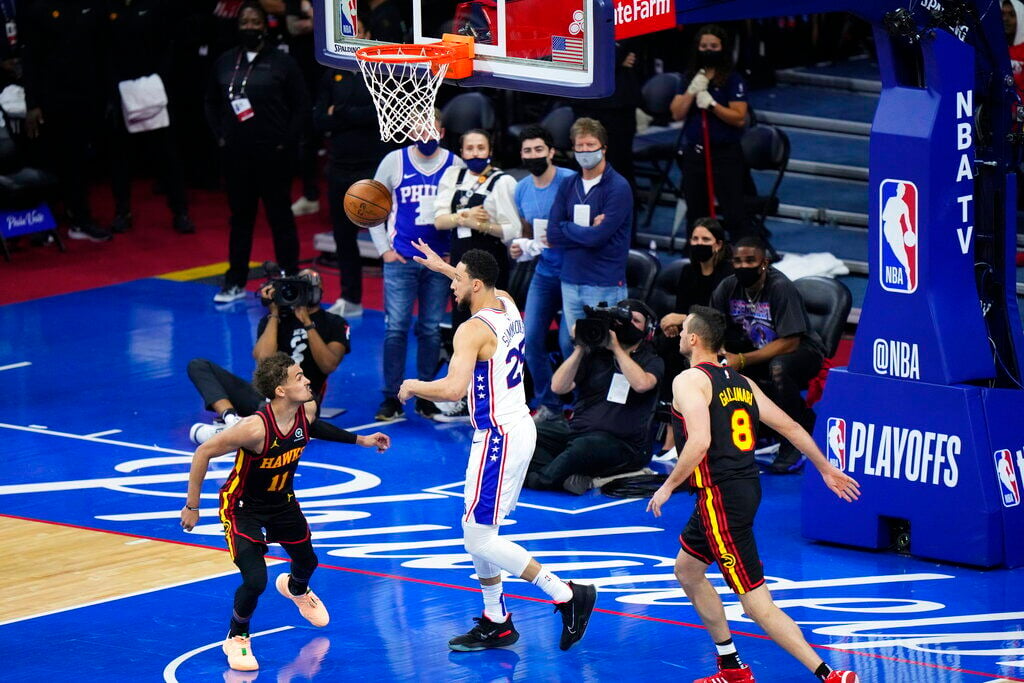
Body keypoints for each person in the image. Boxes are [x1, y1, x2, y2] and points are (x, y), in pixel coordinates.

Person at [397, 243, 597, 653]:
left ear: (474, 284)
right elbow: (473, 280)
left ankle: (565, 594)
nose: (452, 287)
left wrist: (414, 385)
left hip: (500, 437)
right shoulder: (505, 300)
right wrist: (442, 266)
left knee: (478, 538)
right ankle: (497, 621)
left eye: (457, 280)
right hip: (512, 427)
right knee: (480, 531)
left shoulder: (471, 330)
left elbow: (452, 389)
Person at [646, 306, 860, 683]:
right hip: (745, 487)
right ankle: (730, 666)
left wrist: (666, 486)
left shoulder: (689, 380)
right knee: (688, 569)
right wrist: (825, 467)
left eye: (683, 332)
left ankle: (828, 674)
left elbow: (699, 442)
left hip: (719, 498)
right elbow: (791, 426)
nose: (678, 336)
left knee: (755, 600)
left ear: (694, 339)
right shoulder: (741, 382)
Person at [180, 352, 391, 672]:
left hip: (282, 502)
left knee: (308, 562)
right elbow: (203, 452)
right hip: (242, 507)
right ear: (280, 391)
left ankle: (295, 588)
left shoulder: (306, 410)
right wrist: (192, 506)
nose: (307, 380)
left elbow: (315, 426)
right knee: (255, 579)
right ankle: (237, 637)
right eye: (298, 377)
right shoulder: (253, 429)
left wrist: (360, 439)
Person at [205, 1, 308, 303]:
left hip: (274, 156)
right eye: (245, 22)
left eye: (255, 21)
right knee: (240, 218)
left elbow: (301, 105)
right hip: (236, 156)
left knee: (280, 216)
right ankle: (234, 280)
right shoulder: (225, 61)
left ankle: (291, 279)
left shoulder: (282, 62)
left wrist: (285, 142)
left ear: (266, 25)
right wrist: (220, 137)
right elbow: (210, 102)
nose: (250, 26)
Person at [368, 112, 461, 422]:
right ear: (409, 131)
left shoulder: (455, 163)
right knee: (396, 329)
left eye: (431, 128)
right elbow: (370, 204)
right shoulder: (394, 161)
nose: (425, 134)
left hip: (438, 261)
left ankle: (426, 395)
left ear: (442, 131)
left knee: (431, 329)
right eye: (419, 129)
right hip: (402, 259)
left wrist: (452, 254)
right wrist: (383, 249)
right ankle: (392, 397)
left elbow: (462, 210)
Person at [187, 268, 350, 440]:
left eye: (305, 289)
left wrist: (307, 323)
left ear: (318, 292)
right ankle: (231, 420)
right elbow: (264, 359)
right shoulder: (273, 320)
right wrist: (274, 314)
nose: (300, 295)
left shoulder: (335, 323)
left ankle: (242, 432)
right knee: (198, 366)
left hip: (303, 400)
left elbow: (328, 364)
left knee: (269, 407)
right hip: (265, 395)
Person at [710, 236, 825, 474]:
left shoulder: (780, 287)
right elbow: (713, 324)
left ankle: (792, 443)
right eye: (738, 261)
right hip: (757, 350)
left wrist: (741, 359)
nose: (743, 266)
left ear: (764, 262)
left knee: (778, 367)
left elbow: (790, 342)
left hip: (802, 352)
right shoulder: (727, 287)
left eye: (750, 260)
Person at [525, 299, 663, 494]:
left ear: (648, 330)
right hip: (578, 434)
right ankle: (565, 476)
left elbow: (641, 384)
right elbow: (558, 387)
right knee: (530, 432)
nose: (629, 323)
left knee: (584, 447)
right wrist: (581, 347)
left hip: (625, 446)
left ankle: (539, 480)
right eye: (625, 318)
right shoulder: (596, 354)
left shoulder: (652, 360)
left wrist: (617, 349)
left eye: (636, 320)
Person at [21, 0, 112, 242]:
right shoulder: (39, 7)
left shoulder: (93, 7)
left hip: (86, 97)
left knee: (80, 161)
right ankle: (42, 225)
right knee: (49, 162)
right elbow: (30, 57)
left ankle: (81, 220)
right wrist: (33, 104)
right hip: (51, 99)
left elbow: (102, 51)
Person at [104, 0, 196, 235]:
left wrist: (157, 83)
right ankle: (122, 211)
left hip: (155, 89)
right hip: (121, 91)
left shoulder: (155, 5)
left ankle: (180, 211)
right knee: (120, 157)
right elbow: (102, 50)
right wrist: (116, 89)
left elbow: (168, 44)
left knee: (168, 154)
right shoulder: (106, 8)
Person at [508, 126, 575, 423]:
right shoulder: (521, 189)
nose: (533, 155)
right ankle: (549, 404)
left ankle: (583, 404)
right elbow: (526, 231)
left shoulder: (569, 181)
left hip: (575, 273)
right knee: (530, 337)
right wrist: (521, 247)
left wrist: (560, 236)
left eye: (538, 150)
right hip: (544, 271)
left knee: (568, 343)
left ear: (551, 151)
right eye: (527, 151)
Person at [313, 67, 393, 318]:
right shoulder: (332, 74)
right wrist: (354, 116)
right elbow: (319, 119)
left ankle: (393, 303)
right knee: (343, 235)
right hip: (339, 166)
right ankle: (350, 298)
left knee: (386, 236)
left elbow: (380, 115)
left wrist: (341, 112)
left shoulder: (382, 73)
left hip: (373, 166)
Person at [547, 117, 634, 330]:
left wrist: (566, 226)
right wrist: (579, 230)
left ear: (603, 148)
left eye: (590, 145)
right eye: (580, 146)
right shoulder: (568, 184)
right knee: (574, 347)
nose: (585, 151)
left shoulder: (618, 187)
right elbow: (552, 234)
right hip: (570, 279)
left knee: (604, 351)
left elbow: (598, 237)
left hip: (604, 283)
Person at [656, 218, 733, 452]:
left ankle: (676, 435)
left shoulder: (727, 275)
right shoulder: (688, 272)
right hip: (691, 333)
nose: (699, 244)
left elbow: (720, 317)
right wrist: (673, 326)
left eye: (705, 240)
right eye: (695, 239)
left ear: (718, 244)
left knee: (680, 357)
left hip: (719, 336)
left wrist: (680, 319)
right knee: (664, 348)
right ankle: (669, 424)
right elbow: (682, 308)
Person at [670, 24, 750, 240]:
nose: (708, 50)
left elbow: (739, 117)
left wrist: (712, 105)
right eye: (704, 45)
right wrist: (692, 91)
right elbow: (677, 113)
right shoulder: (689, 77)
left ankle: (741, 258)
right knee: (696, 214)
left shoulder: (733, 79)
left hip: (724, 155)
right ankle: (696, 258)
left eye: (713, 46)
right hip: (695, 155)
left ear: (723, 48)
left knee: (734, 213)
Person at [434, 128, 520, 328]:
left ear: (490, 151)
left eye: (481, 148)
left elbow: (512, 230)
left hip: (491, 261)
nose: (475, 153)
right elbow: (439, 221)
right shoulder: (453, 175)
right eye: (469, 148)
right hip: (460, 261)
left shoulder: (503, 181)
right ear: (462, 152)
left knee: (492, 323)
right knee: (461, 319)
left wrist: (479, 224)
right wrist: (465, 217)